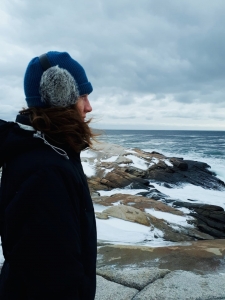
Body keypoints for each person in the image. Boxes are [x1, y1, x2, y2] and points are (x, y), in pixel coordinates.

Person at [0, 51, 97, 299]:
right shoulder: (45, 169)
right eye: (82, 96)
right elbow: (50, 276)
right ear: (60, 95)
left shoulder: (51, 150)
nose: (89, 107)